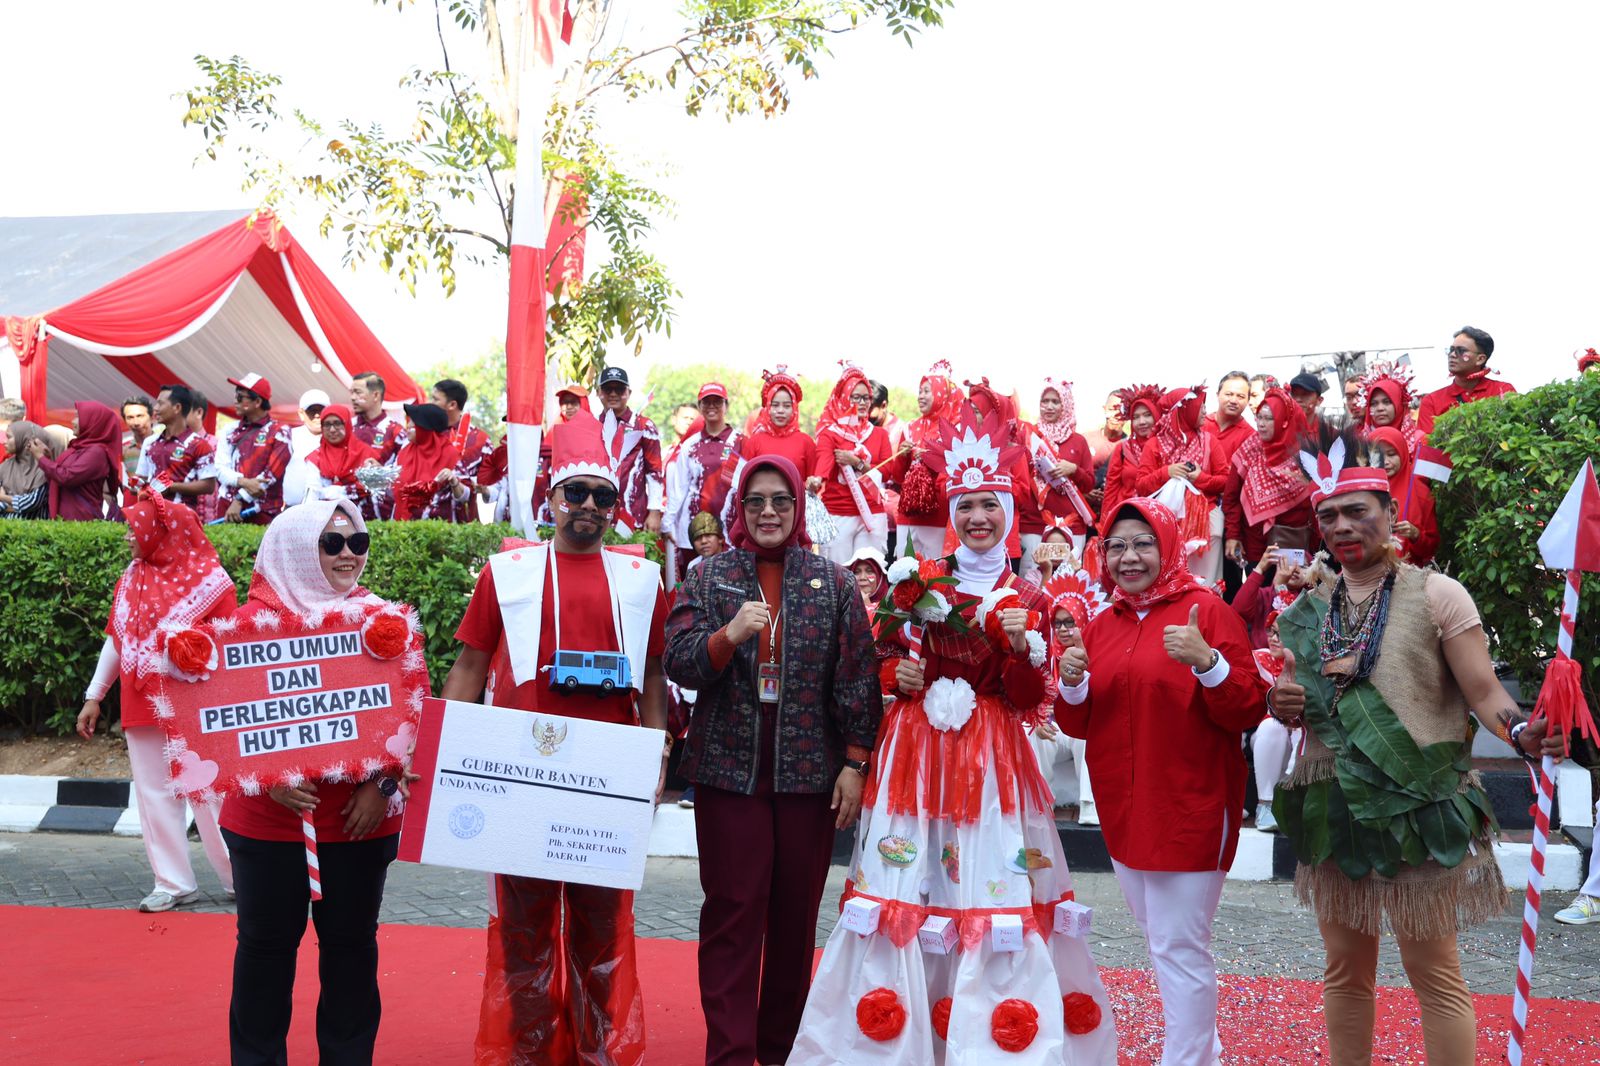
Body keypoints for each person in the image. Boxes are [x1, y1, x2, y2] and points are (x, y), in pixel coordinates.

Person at [792, 399, 1117, 1065]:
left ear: (1008, 515)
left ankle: (988, 1043)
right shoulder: (918, 584)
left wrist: (1027, 653)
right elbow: (883, 662)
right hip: (916, 756)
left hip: (992, 762)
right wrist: (901, 678)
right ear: (950, 515)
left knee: (984, 884)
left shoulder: (1027, 597)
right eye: (965, 505)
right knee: (910, 884)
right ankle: (887, 1041)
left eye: (989, 506)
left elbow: (1030, 701)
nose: (976, 517)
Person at [1266, 441, 1564, 1066]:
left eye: (1357, 511)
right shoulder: (1306, 610)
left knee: (1435, 973)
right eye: (1330, 516)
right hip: (1335, 802)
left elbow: (1483, 691)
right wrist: (1282, 704)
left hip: (1419, 801)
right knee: (1344, 971)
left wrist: (1518, 733)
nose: (1343, 526)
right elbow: (1300, 699)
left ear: (1388, 512)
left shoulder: (1438, 594)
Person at [442, 407, 668, 1065]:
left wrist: (657, 753)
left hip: (607, 777)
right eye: (577, 492)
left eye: (604, 496)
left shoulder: (638, 579)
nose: (590, 507)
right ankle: (533, 1049)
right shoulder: (507, 573)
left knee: (601, 927)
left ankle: (597, 1048)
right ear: (552, 499)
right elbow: (470, 665)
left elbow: (653, 676)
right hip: (520, 777)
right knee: (524, 927)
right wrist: (441, 748)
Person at [665, 454, 882, 1066]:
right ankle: (730, 1054)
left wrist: (855, 762)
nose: (767, 512)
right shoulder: (709, 577)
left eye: (780, 501)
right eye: (756, 500)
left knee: (793, 921)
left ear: (796, 508)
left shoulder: (833, 582)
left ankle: (781, 1048)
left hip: (809, 778)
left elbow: (858, 680)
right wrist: (727, 635)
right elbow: (678, 660)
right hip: (727, 775)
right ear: (741, 508)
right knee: (733, 916)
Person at [1055, 498, 1265, 1065]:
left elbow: (1246, 707)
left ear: (1169, 545)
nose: (1129, 557)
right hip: (1126, 811)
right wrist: (1071, 682)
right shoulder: (1104, 624)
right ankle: (1206, 1051)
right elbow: (1077, 720)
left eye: (1143, 543)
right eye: (1117, 545)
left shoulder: (1208, 611)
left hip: (1189, 807)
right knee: (1163, 941)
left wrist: (1208, 663)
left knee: (1178, 946)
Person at [219, 499, 410, 1065]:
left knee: (351, 951)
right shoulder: (245, 629)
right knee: (265, 951)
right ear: (296, 548)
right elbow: (214, 721)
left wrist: (383, 785)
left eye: (358, 543)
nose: (349, 554)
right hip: (267, 823)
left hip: (358, 821)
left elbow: (408, 711)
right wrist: (263, 773)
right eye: (331, 543)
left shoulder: (384, 621)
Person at [75, 493, 237, 911]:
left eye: (136, 526)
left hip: (196, 704)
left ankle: (243, 877)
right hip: (141, 697)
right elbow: (118, 638)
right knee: (154, 791)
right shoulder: (132, 577)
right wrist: (95, 695)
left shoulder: (212, 581)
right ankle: (172, 882)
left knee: (211, 789)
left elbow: (230, 645)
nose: (129, 534)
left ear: (163, 531)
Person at [1135, 386, 1228, 586]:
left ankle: (1206, 606)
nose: (1204, 411)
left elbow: (1225, 481)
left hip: (1206, 520)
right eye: (1199, 406)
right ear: (1185, 410)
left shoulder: (1209, 442)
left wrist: (1200, 478)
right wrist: (1166, 472)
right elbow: (1141, 486)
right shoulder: (1155, 444)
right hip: (1167, 522)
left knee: (1207, 581)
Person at [1040, 567, 1110, 822]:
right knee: (1032, 732)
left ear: (1081, 620)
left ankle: (1090, 807)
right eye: (1057, 622)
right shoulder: (1043, 653)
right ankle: (1041, 805)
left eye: (1069, 621)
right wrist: (1038, 718)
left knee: (1086, 733)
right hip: (1053, 729)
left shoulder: (1096, 651)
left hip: (1081, 727)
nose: (1062, 629)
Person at [1222, 386, 1314, 568]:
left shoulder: (1305, 454)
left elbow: (1316, 503)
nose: (1261, 424)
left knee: (1289, 595)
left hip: (1293, 544)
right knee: (1257, 593)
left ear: (1284, 421)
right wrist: (1233, 535)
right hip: (1255, 546)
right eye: (1259, 418)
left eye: (1269, 418)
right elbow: (1231, 497)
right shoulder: (1250, 449)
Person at [809, 365, 891, 566]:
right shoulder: (830, 433)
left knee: (871, 572)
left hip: (872, 514)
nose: (862, 403)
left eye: (866, 398)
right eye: (856, 397)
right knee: (838, 574)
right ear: (844, 398)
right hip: (839, 513)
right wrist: (816, 480)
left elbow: (888, 471)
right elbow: (824, 463)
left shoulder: (879, 434)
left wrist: (857, 463)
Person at [882, 361, 963, 560]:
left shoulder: (955, 428)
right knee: (905, 570)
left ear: (941, 394)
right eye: (920, 391)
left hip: (937, 513)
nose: (921, 396)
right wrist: (902, 455)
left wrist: (931, 457)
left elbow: (955, 470)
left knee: (934, 571)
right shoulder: (909, 428)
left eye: (927, 391)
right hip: (908, 512)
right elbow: (899, 477)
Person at [666, 383, 744, 582]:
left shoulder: (740, 441)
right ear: (700, 407)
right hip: (693, 531)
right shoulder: (690, 445)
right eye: (706, 402)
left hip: (728, 528)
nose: (712, 406)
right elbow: (679, 488)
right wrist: (668, 523)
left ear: (726, 405)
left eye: (717, 401)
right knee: (694, 584)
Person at [596, 366, 665, 536]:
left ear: (628, 392)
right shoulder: (593, 426)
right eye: (608, 389)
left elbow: (655, 472)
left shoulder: (643, 425)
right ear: (599, 392)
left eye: (619, 389)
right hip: (598, 515)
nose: (613, 394)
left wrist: (655, 512)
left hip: (634, 516)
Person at [217, 373, 292, 525]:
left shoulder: (280, 431)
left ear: (257, 401)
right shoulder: (229, 430)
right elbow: (219, 468)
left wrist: (239, 500)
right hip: (226, 508)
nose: (235, 401)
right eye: (235, 395)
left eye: (240, 397)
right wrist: (244, 482)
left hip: (262, 511)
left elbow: (269, 477)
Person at [1417, 325, 1516, 436]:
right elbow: (1426, 448)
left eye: (1461, 350)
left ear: (1480, 359)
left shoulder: (1503, 391)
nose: (1452, 355)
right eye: (1451, 350)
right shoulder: (1431, 401)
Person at [134, 384, 218, 512]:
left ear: (177, 408)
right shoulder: (150, 442)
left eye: (160, 404)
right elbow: (141, 479)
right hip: (150, 515)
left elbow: (208, 486)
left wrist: (171, 486)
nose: (155, 409)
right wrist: (136, 485)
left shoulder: (199, 444)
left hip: (182, 517)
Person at [1035, 378, 1097, 550]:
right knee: (1033, 576)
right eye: (1044, 401)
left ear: (1066, 405)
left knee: (1070, 576)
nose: (1049, 406)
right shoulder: (1032, 437)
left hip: (1073, 524)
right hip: (1035, 524)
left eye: (1055, 401)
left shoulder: (1078, 441)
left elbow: (1089, 484)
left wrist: (1074, 470)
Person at [36, 399, 123, 520]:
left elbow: (67, 477)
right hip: (67, 517)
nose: (73, 421)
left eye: (77, 417)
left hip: (80, 518)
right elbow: (56, 477)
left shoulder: (97, 452)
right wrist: (47, 458)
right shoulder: (77, 448)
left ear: (93, 421)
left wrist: (40, 458)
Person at [1249, 614, 1296, 832]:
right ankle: (1265, 805)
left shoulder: (1308, 664)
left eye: (1281, 633)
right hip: (1266, 738)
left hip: (1299, 741)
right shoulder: (1257, 658)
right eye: (1271, 631)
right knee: (1272, 726)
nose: (1274, 638)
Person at [1368, 427, 1439, 567]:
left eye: (1391, 454)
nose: (1385, 461)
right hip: (1369, 575)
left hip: (1410, 575)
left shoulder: (1419, 491)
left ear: (1403, 454)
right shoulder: (1361, 491)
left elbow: (1431, 547)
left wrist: (1416, 535)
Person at [430, 378, 495, 523]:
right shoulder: (427, 434)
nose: (430, 403)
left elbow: (494, 486)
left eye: (435, 399)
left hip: (465, 524)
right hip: (425, 523)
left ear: (452, 404)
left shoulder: (480, 440)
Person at [738, 366, 817, 482]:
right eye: (775, 405)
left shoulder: (806, 443)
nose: (780, 410)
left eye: (786, 406)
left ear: (794, 408)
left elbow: (814, 482)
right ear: (767, 408)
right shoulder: (754, 442)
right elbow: (744, 481)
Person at [390, 402, 464, 520]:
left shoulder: (450, 454)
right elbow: (395, 487)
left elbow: (464, 496)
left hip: (437, 527)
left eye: (413, 424)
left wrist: (454, 481)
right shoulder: (405, 452)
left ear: (425, 428)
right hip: (402, 526)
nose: (408, 426)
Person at [348, 372, 406, 521]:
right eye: (351, 392)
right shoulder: (346, 428)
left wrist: (381, 472)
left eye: (358, 392)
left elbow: (405, 476)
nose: (353, 397)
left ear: (375, 395)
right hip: (347, 513)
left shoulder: (396, 432)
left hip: (382, 516)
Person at [1101, 384, 1160, 526]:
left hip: (1156, 519)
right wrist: (1104, 525)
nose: (1142, 422)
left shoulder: (1166, 448)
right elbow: (1111, 490)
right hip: (1125, 518)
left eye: (1147, 415)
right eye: (1136, 417)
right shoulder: (1122, 448)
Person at [305, 404, 382, 505]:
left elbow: (376, 487)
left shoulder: (366, 453)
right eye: (327, 424)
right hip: (327, 515)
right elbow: (312, 493)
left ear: (347, 424)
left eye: (337, 423)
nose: (332, 430)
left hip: (366, 516)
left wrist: (342, 491)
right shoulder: (316, 457)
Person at [281, 388, 331, 509]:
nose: (317, 415)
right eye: (312, 411)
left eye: (321, 410)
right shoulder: (288, 437)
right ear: (301, 414)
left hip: (327, 510)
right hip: (292, 509)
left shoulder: (337, 438)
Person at [0, 420, 59, 519]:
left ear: (25, 440)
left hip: (31, 530)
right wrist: (13, 504)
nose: (4, 441)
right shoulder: (6, 465)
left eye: (9, 437)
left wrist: (3, 498)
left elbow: (32, 503)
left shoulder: (44, 469)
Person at [1358, 361, 1421, 452]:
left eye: (1387, 402)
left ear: (1399, 404)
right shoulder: (1359, 443)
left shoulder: (1418, 441)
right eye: (1374, 404)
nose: (1380, 408)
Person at [1082, 389, 1127, 514]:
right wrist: (1083, 494)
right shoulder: (1084, 440)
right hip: (1081, 514)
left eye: (1122, 410)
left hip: (1111, 515)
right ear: (1105, 409)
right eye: (1113, 409)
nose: (1117, 415)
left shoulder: (1130, 447)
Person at [1202, 371, 1255, 465]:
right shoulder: (1200, 425)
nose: (1233, 400)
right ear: (1217, 395)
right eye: (1229, 394)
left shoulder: (1250, 437)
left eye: (1240, 396)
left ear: (1248, 400)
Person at [1289, 372, 1339, 450]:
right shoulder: (1280, 432)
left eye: (1305, 394)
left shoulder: (1331, 435)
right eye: (1293, 394)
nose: (1298, 399)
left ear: (1319, 400)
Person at [846, 544, 889, 610]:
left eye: (869, 571)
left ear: (880, 577)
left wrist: (867, 607)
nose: (862, 577)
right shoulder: (842, 604)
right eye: (857, 572)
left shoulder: (893, 605)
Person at [120, 394, 155, 474]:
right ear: (125, 420)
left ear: (152, 417)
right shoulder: (123, 450)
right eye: (130, 417)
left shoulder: (165, 444)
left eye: (140, 416)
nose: (136, 422)